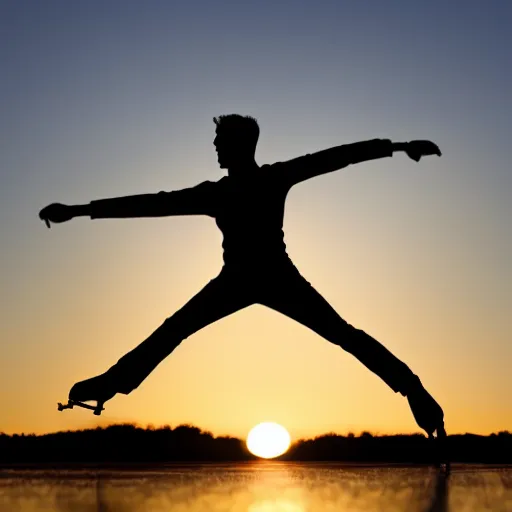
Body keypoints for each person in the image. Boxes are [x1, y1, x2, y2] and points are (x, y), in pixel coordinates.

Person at [39, 114, 445, 438]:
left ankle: (413, 389)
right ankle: (112, 383)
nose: (215, 148)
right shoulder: (222, 190)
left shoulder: (267, 178)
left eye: (220, 143)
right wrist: (80, 210)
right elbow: (151, 204)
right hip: (238, 280)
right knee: (173, 329)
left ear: (239, 145)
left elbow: (335, 157)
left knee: (341, 333)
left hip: (275, 278)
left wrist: (396, 147)